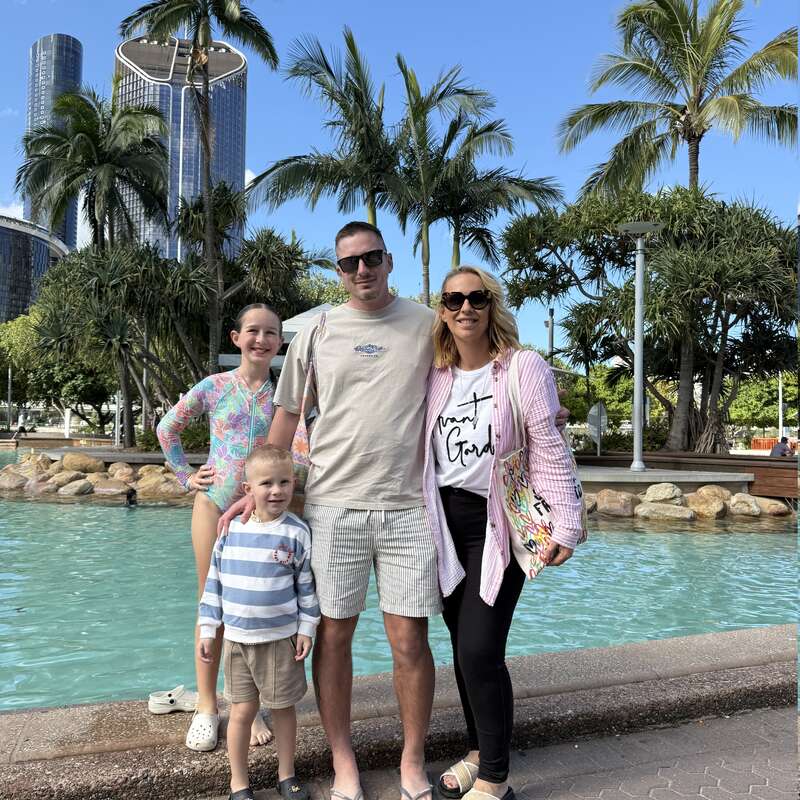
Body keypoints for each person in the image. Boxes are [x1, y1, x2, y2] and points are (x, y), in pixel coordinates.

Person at [219, 222, 570, 800]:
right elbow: (285, 419)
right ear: (339, 269)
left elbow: (481, 371)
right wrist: (250, 489)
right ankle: (344, 764)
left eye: (372, 257)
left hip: (410, 508)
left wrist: (544, 420)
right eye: (349, 262)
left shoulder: (423, 324)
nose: (362, 270)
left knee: (410, 641)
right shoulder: (318, 330)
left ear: (388, 260)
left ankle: (412, 762)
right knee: (334, 638)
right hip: (333, 506)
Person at [426, 266, 584, 800]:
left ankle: (495, 779)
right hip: (442, 525)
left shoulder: (524, 367)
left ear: (492, 306)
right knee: (461, 645)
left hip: (498, 524)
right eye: (453, 300)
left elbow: (547, 444)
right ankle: (477, 753)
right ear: (442, 311)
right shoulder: (435, 374)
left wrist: (569, 522)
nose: (465, 308)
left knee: (478, 648)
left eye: (476, 298)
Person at [157, 303, 282, 751]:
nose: (261, 339)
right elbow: (167, 427)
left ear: (279, 342)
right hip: (212, 506)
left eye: (270, 333)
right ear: (236, 338)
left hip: (260, 514)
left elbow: (299, 449)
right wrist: (184, 476)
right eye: (253, 331)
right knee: (212, 605)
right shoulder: (215, 386)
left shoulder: (282, 397)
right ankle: (208, 705)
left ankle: (251, 705)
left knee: (259, 607)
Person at [198, 445, 320, 800]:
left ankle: (286, 773)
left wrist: (306, 628)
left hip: (281, 639)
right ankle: (239, 782)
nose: (277, 490)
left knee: (283, 710)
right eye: (266, 483)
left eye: (284, 481)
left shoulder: (297, 532)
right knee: (240, 712)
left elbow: (305, 587)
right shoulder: (230, 530)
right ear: (248, 489)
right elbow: (213, 585)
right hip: (236, 641)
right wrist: (208, 630)